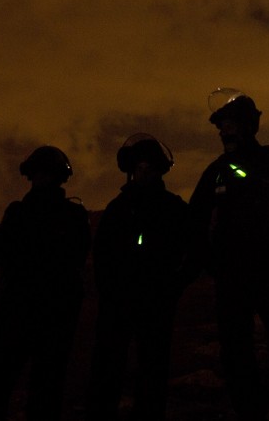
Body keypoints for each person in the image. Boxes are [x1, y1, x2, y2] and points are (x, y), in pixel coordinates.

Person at [186, 88, 269, 421]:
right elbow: (194, 220)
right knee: (236, 356)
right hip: (233, 280)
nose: (223, 131)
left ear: (248, 126)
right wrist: (212, 263)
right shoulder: (216, 171)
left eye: (230, 124)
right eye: (221, 126)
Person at [0, 146, 91, 421]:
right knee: (35, 386)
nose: (41, 179)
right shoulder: (70, 215)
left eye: (45, 174)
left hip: (31, 310)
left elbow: (6, 256)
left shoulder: (22, 214)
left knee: (16, 384)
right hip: (41, 311)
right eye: (39, 174)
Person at [86, 133, 190, 421]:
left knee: (152, 374)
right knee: (108, 371)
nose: (144, 174)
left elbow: (192, 253)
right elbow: (103, 256)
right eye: (140, 169)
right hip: (119, 305)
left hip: (155, 305)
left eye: (149, 168)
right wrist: (109, 292)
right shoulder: (117, 210)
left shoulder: (174, 209)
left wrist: (172, 287)